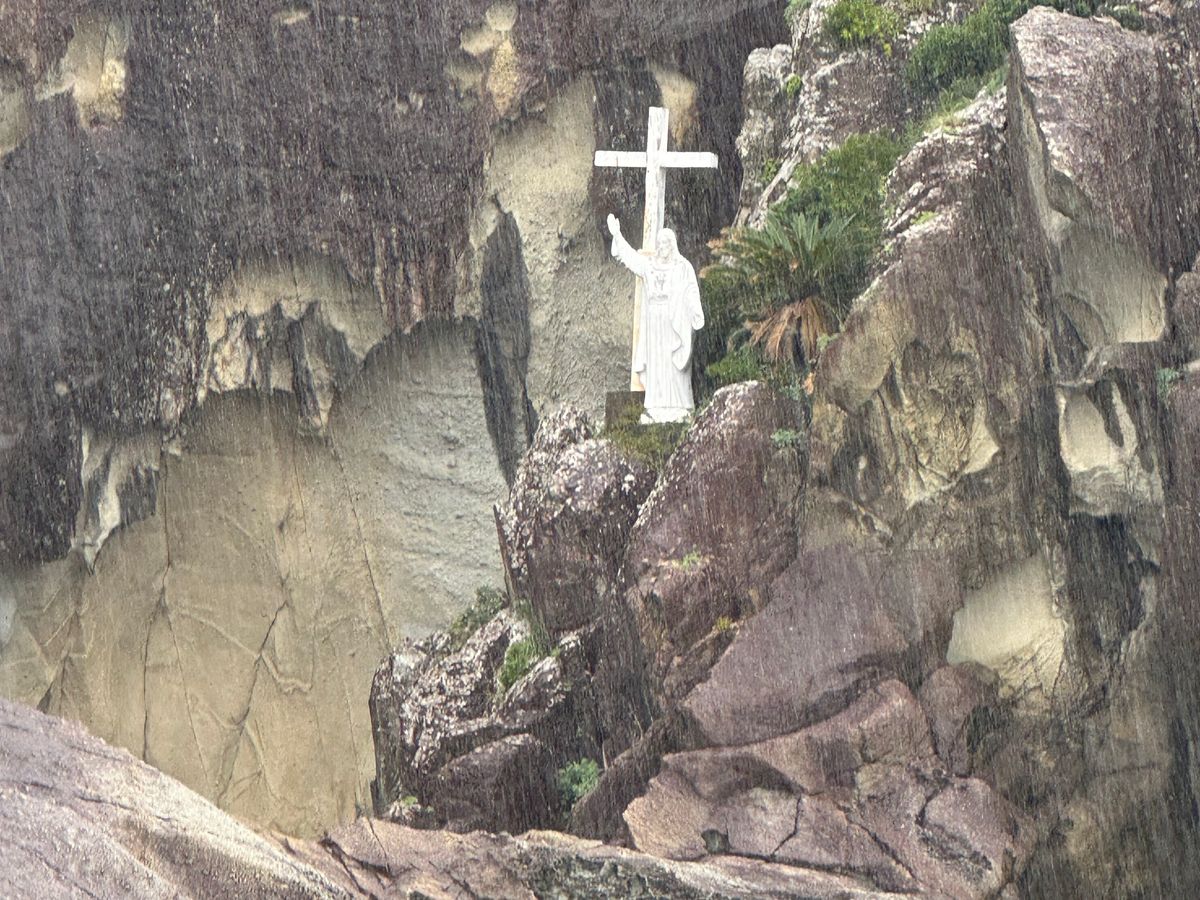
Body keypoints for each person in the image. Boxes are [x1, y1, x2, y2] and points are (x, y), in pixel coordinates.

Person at [606, 214, 705, 423]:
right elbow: (630, 258)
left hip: (674, 321)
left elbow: (690, 291)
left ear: (672, 244)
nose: (661, 246)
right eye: (659, 243)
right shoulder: (649, 265)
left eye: (665, 243)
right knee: (656, 363)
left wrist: (695, 311)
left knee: (673, 364)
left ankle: (680, 406)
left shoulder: (682, 267)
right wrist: (617, 235)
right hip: (654, 322)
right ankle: (655, 406)